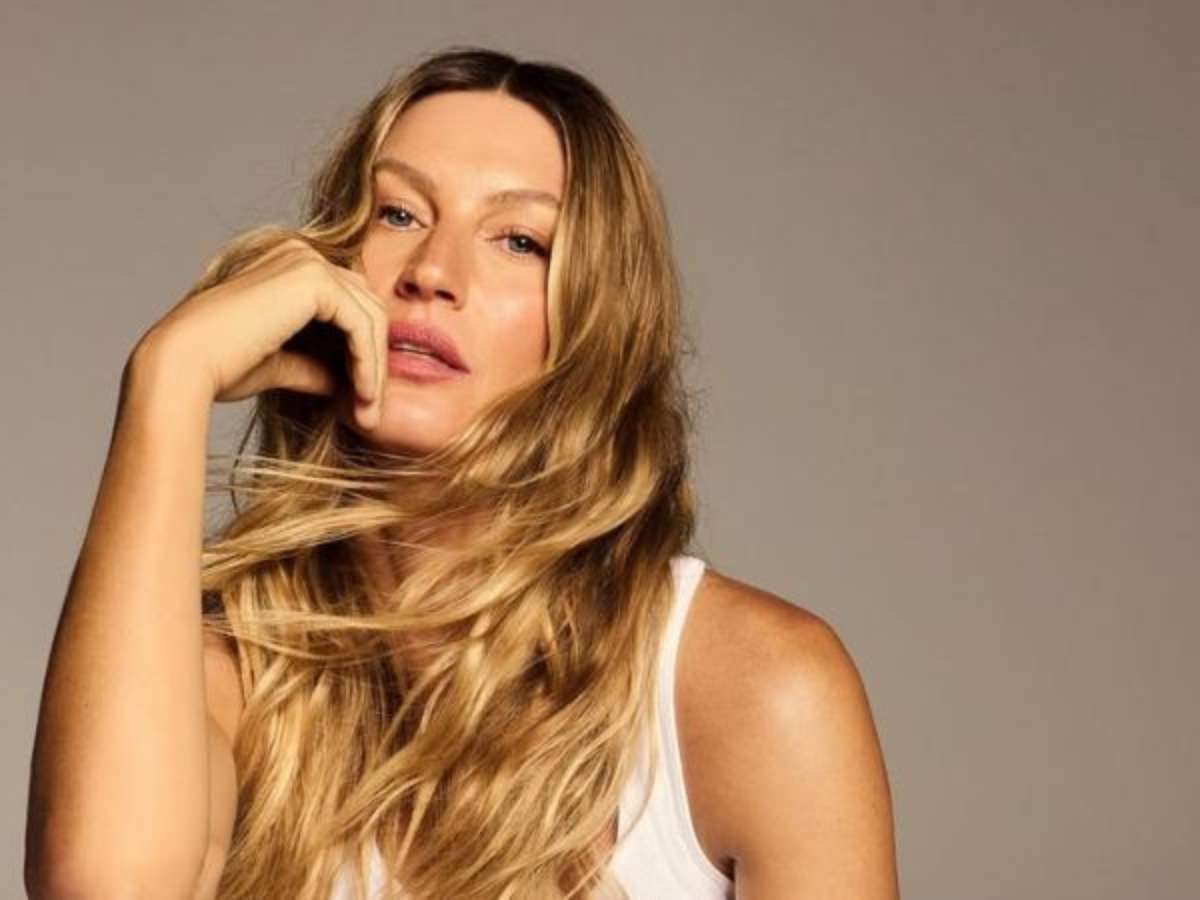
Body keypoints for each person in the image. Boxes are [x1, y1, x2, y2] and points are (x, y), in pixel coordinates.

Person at [25, 46, 899, 899]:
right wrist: (169, 378)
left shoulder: (758, 693)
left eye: (519, 240)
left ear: (597, 325)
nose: (432, 274)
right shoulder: (241, 677)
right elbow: (105, 886)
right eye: (398, 215)